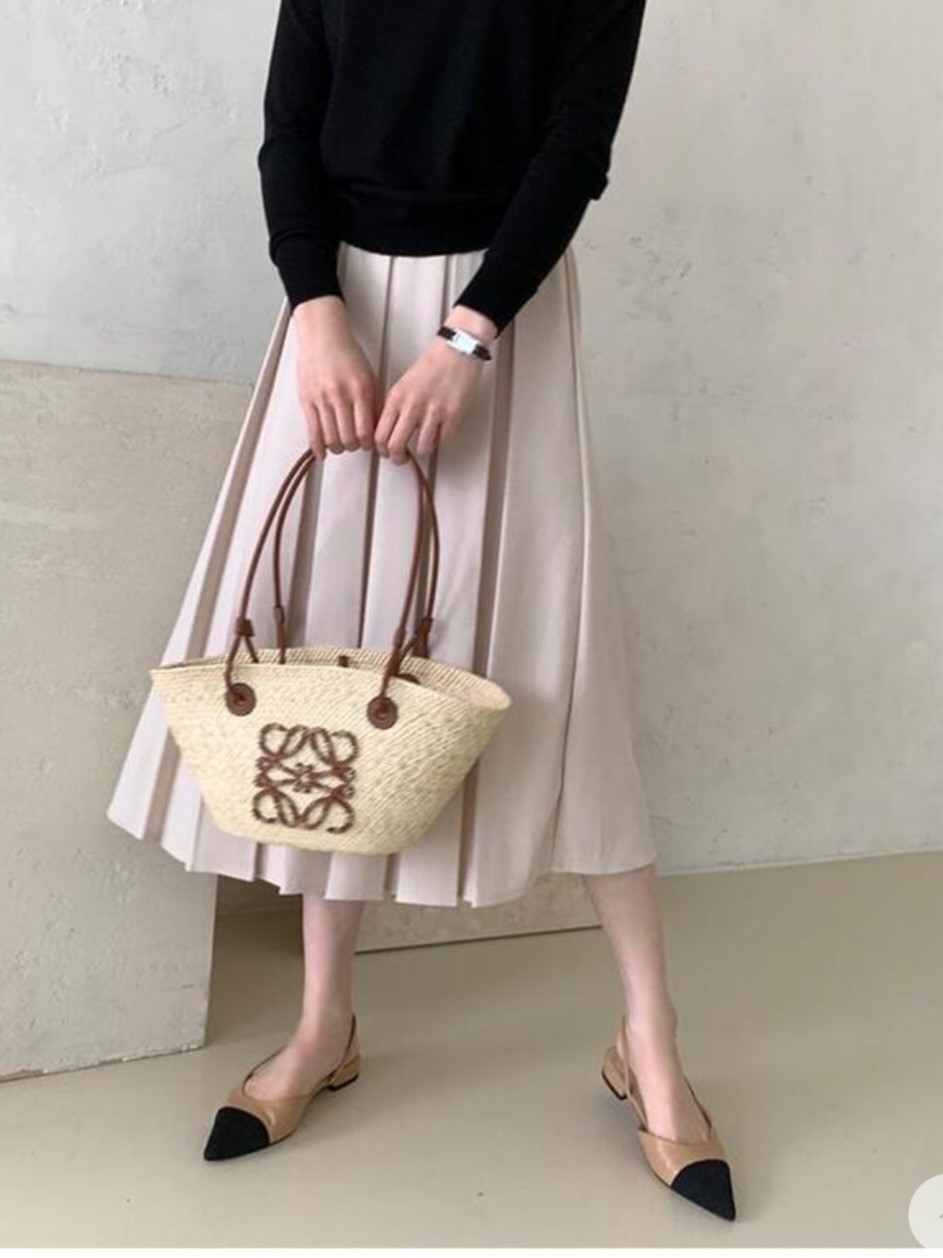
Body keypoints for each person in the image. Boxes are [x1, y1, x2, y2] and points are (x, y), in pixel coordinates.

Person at [106, 0, 736, 1222]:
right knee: (327, 666)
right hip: (336, 319)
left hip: (498, 326)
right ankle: (323, 1022)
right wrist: (313, 306)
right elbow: (289, 128)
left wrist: (468, 337)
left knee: (564, 674)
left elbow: (572, 149)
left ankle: (649, 1041)